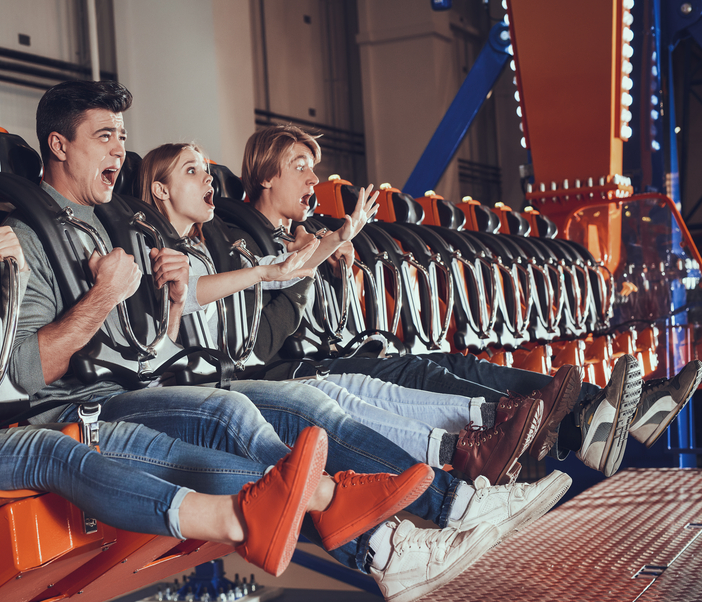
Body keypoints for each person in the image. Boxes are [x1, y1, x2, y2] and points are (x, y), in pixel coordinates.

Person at [5, 79, 573, 602]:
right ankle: (426, 518)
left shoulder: (119, 227)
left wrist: (178, 298)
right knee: (257, 418)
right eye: (105, 138)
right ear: (58, 144)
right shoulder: (32, 235)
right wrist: (110, 294)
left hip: (155, 383)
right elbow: (36, 370)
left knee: (301, 409)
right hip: (96, 402)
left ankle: (423, 518)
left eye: (122, 140)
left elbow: (160, 338)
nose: (117, 153)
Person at [0, 101, 418, 578]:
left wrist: (10, 274)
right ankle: (287, 508)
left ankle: (321, 498)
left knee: (222, 439)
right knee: (55, 452)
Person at [231, 123, 702, 478]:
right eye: (300, 168)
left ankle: (603, 409)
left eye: (315, 169)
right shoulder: (238, 243)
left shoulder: (304, 233)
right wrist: (308, 266)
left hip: (345, 352)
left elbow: (331, 295)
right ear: (266, 176)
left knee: (459, 365)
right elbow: (257, 345)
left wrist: (330, 251)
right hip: (300, 373)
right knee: (428, 373)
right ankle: (583, 426)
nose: (313, 180)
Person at [139, 141, 546, 485]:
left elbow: (282, 272)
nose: (207, 176)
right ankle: (463, 467)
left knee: (370, 385)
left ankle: (489, 424)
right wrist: (272, 268)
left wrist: (338, 237)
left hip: (250, 369)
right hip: (233, 379)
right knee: (334, 398)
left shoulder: (211, 250)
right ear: (160, 189)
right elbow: (198, 295)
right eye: (192, 171)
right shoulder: (160, 251)